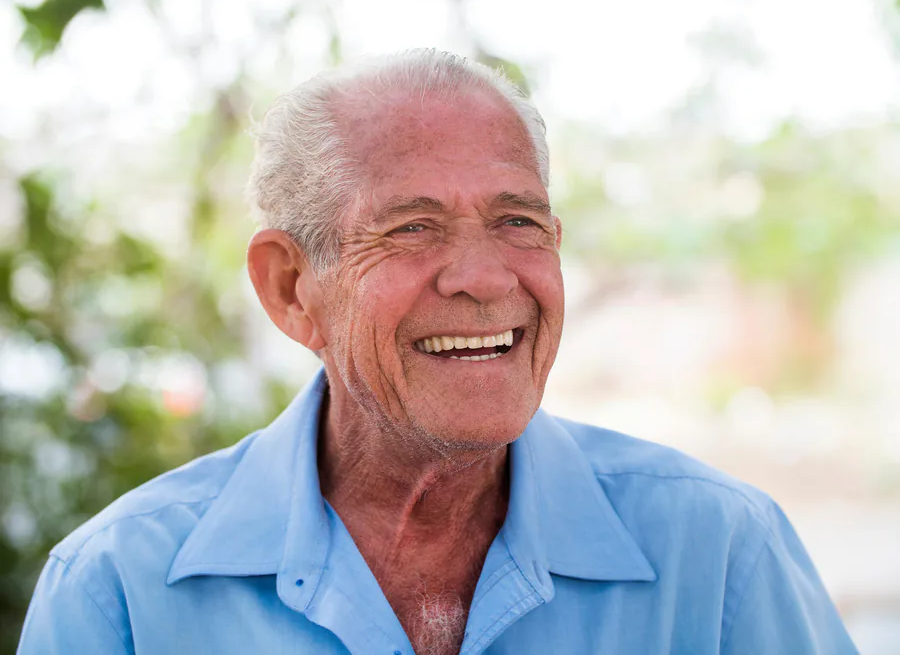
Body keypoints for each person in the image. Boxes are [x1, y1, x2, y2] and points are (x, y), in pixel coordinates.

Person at [18, 49, 857, 655]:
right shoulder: (120, 589)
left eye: (518, 221)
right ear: (289, 287)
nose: (485, 278)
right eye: (412, 227)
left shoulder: (717, 555)